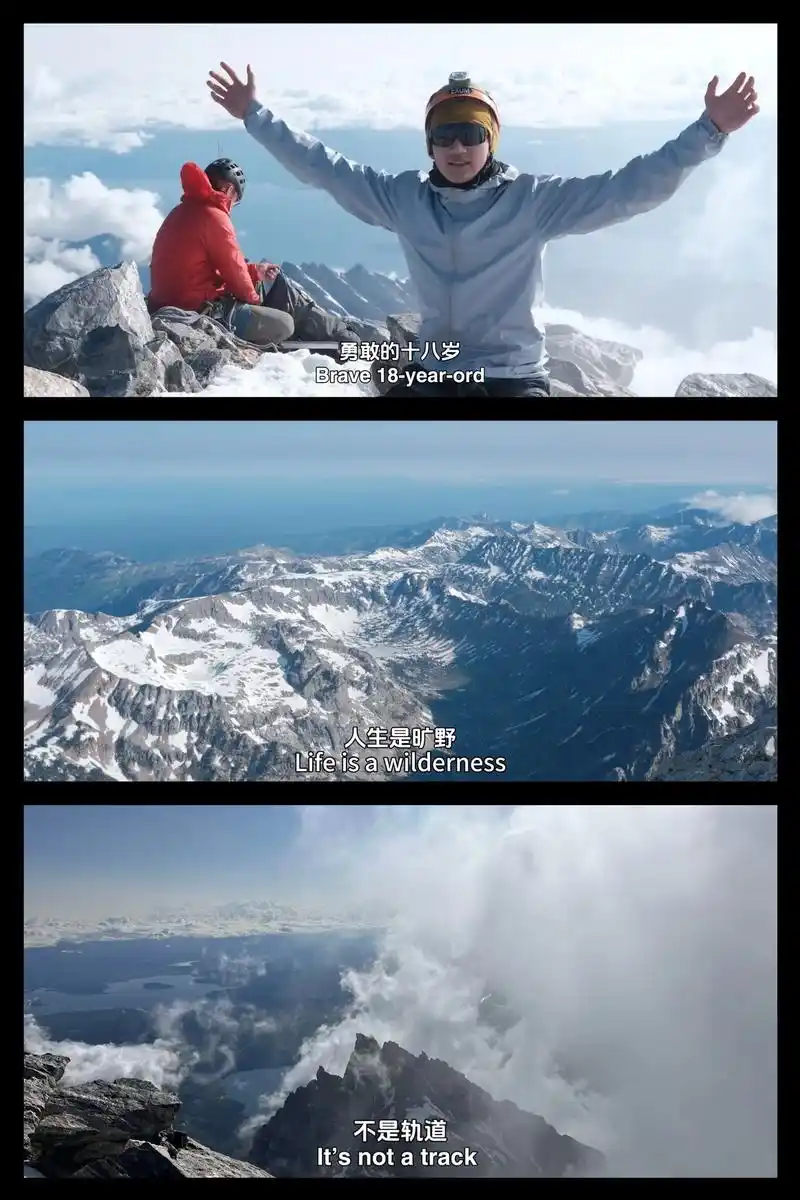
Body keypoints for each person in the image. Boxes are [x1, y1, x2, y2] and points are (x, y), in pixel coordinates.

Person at [206, 63, 760, 399]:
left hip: (513, 374)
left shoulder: (533, 202)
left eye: (471, 134)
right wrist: (256, 115)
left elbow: (630, 187)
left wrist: (709, 130)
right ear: (429, 145)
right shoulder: (406, 200)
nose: (456, 148)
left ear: (491, 140)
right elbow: (324, 167)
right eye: (444, 136)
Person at [148, 158, 357, 348]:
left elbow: (212, 268)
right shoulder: (214, 217)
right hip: (198, 311)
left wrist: (256, 271)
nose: (233, 205)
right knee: (284, 324)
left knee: (267, 283)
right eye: (236, 199)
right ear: (229, 190)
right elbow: (236, 276)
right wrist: (254, 300)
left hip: (172, 303)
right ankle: (337, 337)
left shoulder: (180, 211)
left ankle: (332, 330)